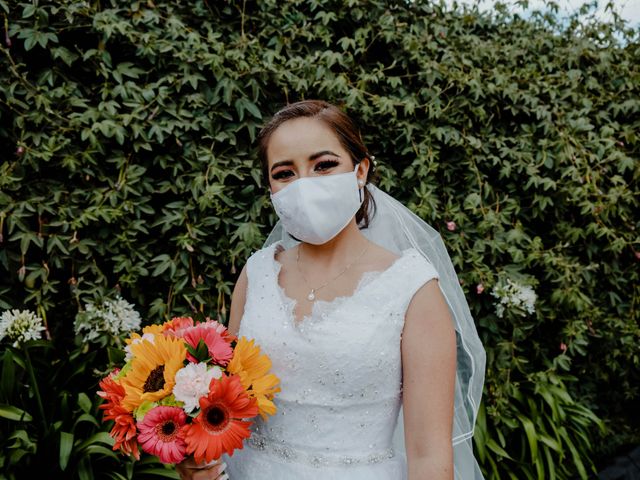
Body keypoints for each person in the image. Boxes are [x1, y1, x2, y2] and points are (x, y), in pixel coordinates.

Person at [176, 100, 485, 479]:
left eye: (323, 165)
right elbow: (229, 406)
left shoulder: (413, 289)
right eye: (285, 173)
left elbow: (428, 457)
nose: (304, 185)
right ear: (270, 187)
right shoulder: (256, 274)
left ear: (360, 171)